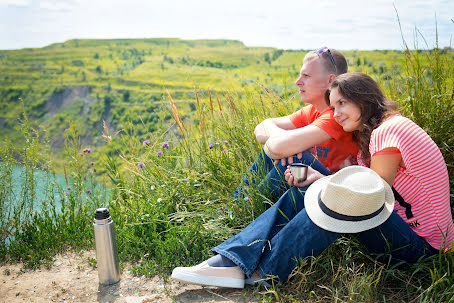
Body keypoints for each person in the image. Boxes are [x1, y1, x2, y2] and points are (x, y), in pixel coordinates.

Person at [171, 72, 453, 288]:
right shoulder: (379, 132)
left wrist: (324, 185)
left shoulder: (389, 131)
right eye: (333, 106)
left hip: (424, 249)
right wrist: (318, 179)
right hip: (406, 233)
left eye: (342, 103)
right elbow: (364, 191)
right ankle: (234, 261)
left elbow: (371, 196)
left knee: (338, 203)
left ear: (364, 100)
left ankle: (262, 269)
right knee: (307, 187)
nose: (337, 113)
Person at [234, 47, 358, 203]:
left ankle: (247, 208)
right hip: (320, 182)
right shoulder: (313, 111)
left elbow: (277, 147)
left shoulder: (337, 116)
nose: (297, 82)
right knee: (287, 151)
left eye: (306, 76)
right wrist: (284, 141)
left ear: (330, 81)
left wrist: (285, 144)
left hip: (342, 191)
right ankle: (238, 204)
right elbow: (262, 126)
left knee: (293, 157)